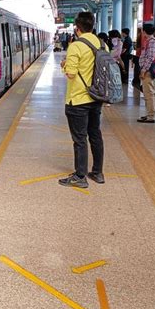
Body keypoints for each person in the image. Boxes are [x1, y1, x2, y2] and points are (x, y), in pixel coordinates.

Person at [59, 12, 105, 188]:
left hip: (78, 99)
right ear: (92, 26)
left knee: (79, 139)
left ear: (77, 29)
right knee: (95, 134)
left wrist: (64, 66)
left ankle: (80, 176)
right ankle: (98, 172)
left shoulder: (76, 46)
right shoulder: (101, 44)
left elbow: (71, 73)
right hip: (96, 97)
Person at [137, 24, 155, 123]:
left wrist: (143, 70)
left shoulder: (152, 42)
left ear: (145, 31)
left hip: (148, 71)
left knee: (149, 93)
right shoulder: (150, 41)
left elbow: (150, 57)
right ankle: (151, 113)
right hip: (149, 70)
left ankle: (151, 116)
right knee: (151, 92)